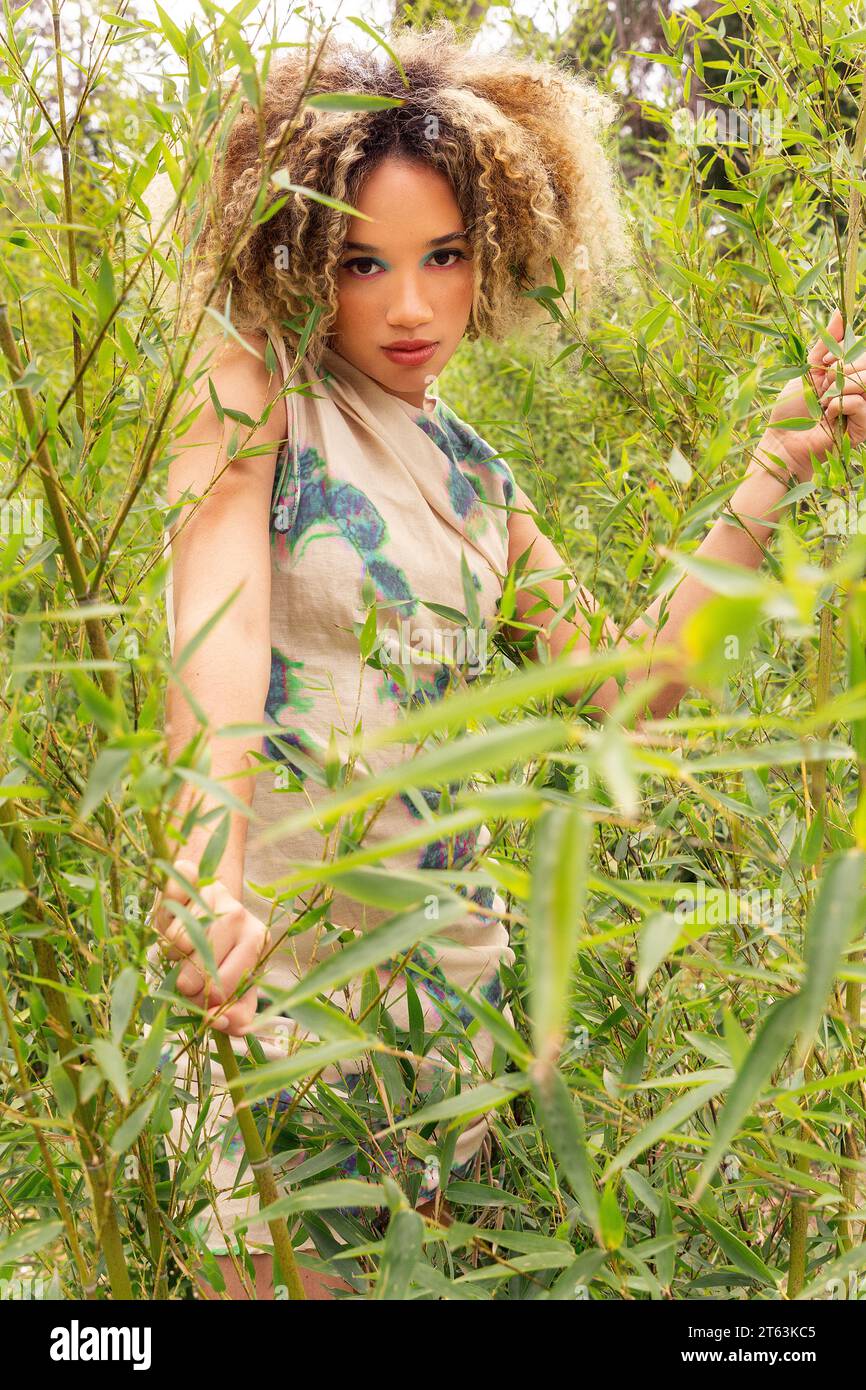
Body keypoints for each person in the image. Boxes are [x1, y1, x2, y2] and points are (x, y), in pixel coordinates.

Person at [146, 20, 866, 1300]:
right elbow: (217, 609)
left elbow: (632, 693)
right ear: (305, 254)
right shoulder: (261, 388)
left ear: (498, 251)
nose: (410, 305)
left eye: (444, 257)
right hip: (278, 994)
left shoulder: (480, 477)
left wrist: (773, 467)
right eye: (363, 262)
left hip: (447, 1024)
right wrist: (205, 863)